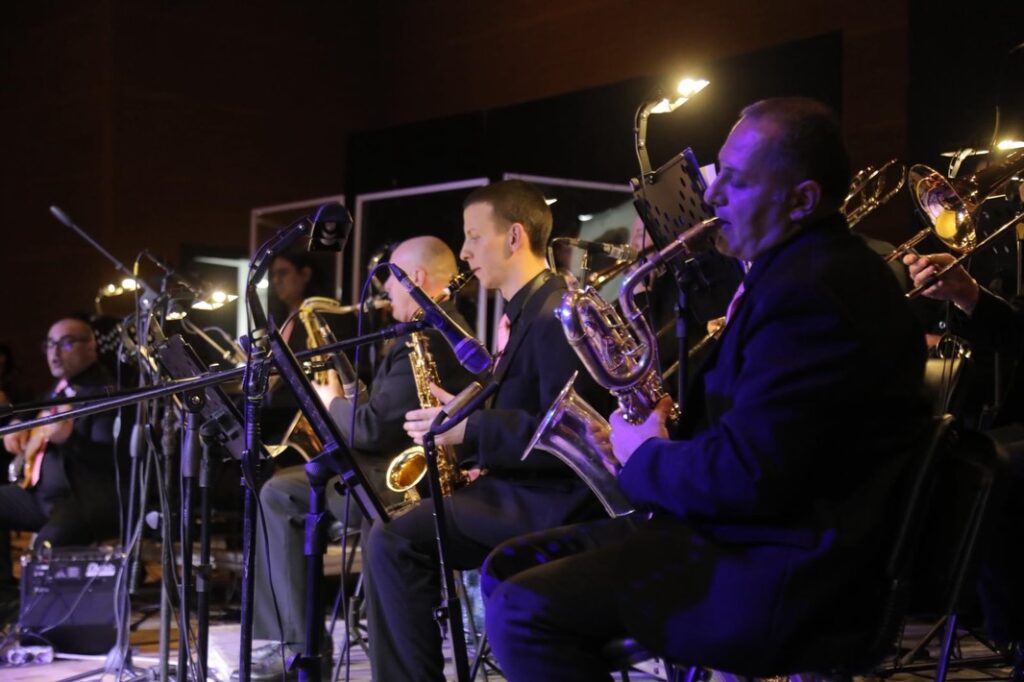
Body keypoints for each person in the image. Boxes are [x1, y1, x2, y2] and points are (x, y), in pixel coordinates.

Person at [482, 98, 930, 681]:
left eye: (736, 182)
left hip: (782, 572)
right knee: (507, 566)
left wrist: (645, 453)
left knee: (523, 613)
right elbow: (772, 440)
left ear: (802, 200)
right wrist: (666, 432)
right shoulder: (801, 273)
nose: (712, 196)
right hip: (751, 536)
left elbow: (749, 476)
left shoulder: (812, 293)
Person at [360, 179, 611, 681]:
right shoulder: (531, 310)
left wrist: (470, 429)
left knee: (393, 540)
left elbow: (573, 430)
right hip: (524, 488)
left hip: (553, 503)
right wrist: (469, 422)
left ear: (515, 236)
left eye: (474, 236)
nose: (465, 252)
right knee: (391, 531)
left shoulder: (556, 314)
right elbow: (529, 409)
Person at [249, 236, 480, 678]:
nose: (385, 290)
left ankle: (299, 647)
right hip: (384, 467)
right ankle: (299, 645)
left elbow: (372, 429)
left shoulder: (431, 335)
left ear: (416, 278)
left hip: (401, 484)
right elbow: (386, 415)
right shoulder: (429, 328)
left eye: (391, 280)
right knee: (281, 489)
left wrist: (333, 402)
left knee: (280, 495)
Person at [0, 317, 125, 617]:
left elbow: (113, 461)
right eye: (50, 344)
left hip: (83, 501)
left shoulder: (105, 392)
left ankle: (40, 619)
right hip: (39, 495)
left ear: (91, 346)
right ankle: (5, 598)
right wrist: (17, 427)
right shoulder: (56, 392)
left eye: (66, 343)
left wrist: (71, 438)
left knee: (47, 547)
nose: (55, 353)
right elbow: (34, 424)